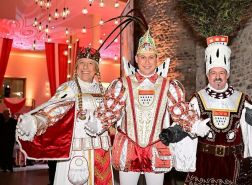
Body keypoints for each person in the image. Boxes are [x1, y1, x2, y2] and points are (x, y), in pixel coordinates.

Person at [162, 36, 252, 184]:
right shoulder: (198, 99)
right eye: (213, 73)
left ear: (227, 74)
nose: (218, 77)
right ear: (208, 75)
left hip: (233, 164)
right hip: (205, 164)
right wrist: (171, 133)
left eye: (222, 73)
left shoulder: (240, 99)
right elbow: (185, 124)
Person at [95, 30, 209, 185]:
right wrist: (98, 122)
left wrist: (194, 124)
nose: (147, 62)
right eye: (143, 57)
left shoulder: (168, 85)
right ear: (136, 59)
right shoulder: (123, 84)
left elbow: (179, 110)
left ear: (157, 59)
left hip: (157, 146)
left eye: (150, 57)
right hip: (128, 145)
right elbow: (111, 109)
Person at [16, 47, 115, 185]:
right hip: (76, 151)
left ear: (96, 68)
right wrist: (36, 121)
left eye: (90, 63)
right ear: (76, 66)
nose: (85, 67)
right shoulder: (70, 88)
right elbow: (54, 110)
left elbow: (114, 115)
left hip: (101, 151)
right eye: (81, 62)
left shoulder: (105, 90)